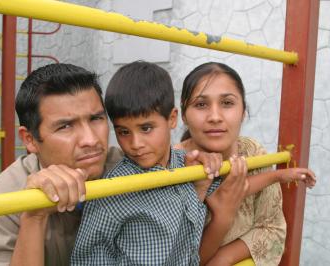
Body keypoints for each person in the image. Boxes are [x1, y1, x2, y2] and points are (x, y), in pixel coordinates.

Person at [70, 61, 225, 265]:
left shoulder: (187, 166)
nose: (135, 144)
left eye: (146, 128)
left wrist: (209, 173)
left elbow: (227, 192)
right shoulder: (112, 191)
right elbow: (87, 260)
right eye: (123, 132)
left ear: (171, 119)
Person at [0, 63, 123, 266]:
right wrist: (34, 216)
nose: (91, 139)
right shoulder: (3, 199)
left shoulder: (130, 168)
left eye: (96, 118)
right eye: (65, 126)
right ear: (30, 140)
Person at [175, 62, 316, 266]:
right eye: (201, 105)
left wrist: (223, 258)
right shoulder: (171, 167)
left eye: (227, 103)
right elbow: (169, 252)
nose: (215, 117)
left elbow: (273, 230)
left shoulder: (252, 153)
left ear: (243, 112)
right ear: (184, 116)